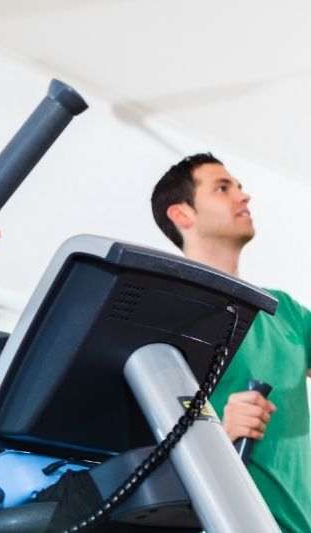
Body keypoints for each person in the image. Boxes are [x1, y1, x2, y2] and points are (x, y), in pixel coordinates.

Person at [151, 153, 311, 532]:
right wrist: (219, 435)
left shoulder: (283, 310)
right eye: (223, 188)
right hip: (227, 521)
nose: (243, 196)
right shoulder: (164, 314)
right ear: (182, 215)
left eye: (238, 187)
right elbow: (136, 445)